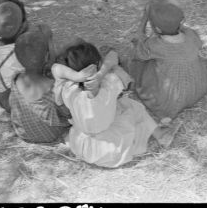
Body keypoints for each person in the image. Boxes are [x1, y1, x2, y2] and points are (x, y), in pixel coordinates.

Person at [52, 41, 181, 168]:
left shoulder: (69, 89)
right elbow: (113, 56)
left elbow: (55, 68)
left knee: (107, 112)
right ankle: (160, 134)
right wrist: (102, 73)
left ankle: (158, 134)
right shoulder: (109, 83)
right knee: (132, 105)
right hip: (112, 148)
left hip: (85, 148)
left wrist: (77, 76)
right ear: (98, 64)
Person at [129, 0, 207, 120]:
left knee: (140, 64)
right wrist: (173, 22)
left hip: (169, 102)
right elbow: (195, 41)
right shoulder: (191, 35)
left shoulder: (155, 45)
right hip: (198, 89)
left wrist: (144, 19)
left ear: (157, 29)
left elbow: (139, 50)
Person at [9, 28, 72, 143]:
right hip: (50, 135)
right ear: (47, 56)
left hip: (23, 133)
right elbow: (67, 115)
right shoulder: (52, 87)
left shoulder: (15, 78)